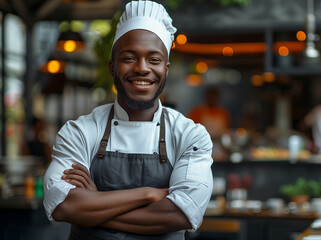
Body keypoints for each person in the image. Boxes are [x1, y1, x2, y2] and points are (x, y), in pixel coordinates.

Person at [43, 1, 213, 239]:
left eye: (154, 60)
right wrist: (147, 194)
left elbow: (182, 215)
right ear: (112, 67)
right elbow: (62, 206)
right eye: (129, 58)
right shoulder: (79, 132)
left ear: (166, 69)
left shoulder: (190, 135)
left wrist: (94, 204)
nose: (142, 69)